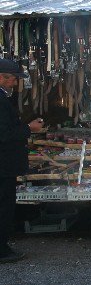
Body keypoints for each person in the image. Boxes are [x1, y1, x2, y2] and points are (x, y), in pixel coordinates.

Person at [0, 59, 43, 263]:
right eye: (13, 79)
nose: (15, 84)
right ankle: (2, 250)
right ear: (2, 77)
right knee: (3, 206)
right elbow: (4, 134)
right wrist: (29, 128)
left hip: (5, 165)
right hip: (3, 166)